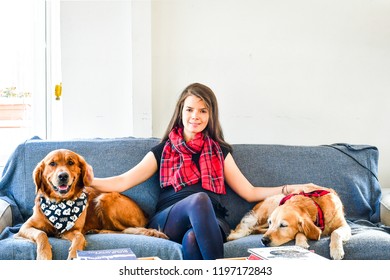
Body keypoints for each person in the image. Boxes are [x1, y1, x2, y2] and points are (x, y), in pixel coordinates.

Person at [89, 82, 318, 260]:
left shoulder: (219, 151)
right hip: (170, 217)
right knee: (198, 199)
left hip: (213, 219)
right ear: (181, 112)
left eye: (203, 111)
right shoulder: (163, 150)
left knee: (192, 239)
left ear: (210, 116)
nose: (195, 116)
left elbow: (249, 191)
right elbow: (121, 181)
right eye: (189, 109)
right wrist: (84, 179)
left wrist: (289, 188)